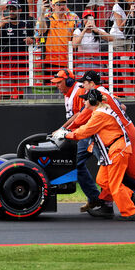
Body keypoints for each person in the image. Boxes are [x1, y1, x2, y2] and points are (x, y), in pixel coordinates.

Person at [69, 70, 135, 218]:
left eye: (85, 83)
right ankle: (109, 203)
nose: (82, 85)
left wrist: (65, 130)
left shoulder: (97, 95)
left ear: (92, 84)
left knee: (127, 171)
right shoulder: (102, 92)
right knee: (111, 170)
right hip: (125, 130)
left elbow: (82, 118)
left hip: (121, 134)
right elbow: (122, 107)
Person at [60, 88, 135, 220]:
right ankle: (132, 196)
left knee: (114, 184)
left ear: (92, 101)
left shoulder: (99, 115)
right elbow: (85, 128)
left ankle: (130, 212)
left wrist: (65, 134)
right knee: (102, 180)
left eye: (85, 99)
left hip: (118, 149)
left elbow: (83, 132)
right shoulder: (99, 111)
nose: (84, 102)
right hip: (114, 149)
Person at [51, 69, 102, 211]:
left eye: (59, 83)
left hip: (90, 133)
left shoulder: (79, 91)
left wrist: (63, 129)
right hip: (84, 133)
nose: (57, 86)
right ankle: (94, 198)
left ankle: (134, 197)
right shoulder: (68, 93)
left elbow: (81, 115)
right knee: (77, 164)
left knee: (109, 167)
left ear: (68, 81)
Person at [37, 0, 79, 78]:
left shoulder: (72, 22)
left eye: (63, 4)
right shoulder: (48, 20)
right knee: (51, 89)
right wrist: (42, 13)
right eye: (58, 4)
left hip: (66, 62)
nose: (62, 7)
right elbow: (41, 30)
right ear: (53, 6)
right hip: (50, 61)